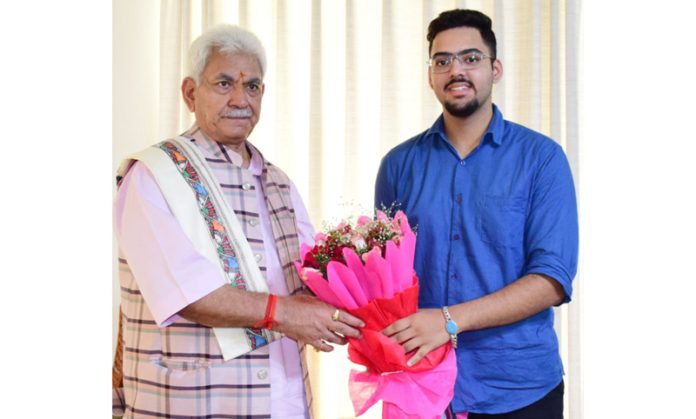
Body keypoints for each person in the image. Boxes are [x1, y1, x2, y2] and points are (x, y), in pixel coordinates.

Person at [113, 24, 363, 418]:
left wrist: (365, 303)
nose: (240, 99)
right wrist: (291, 314)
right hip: (194, 403)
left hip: (286, 400)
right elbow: (189, 294)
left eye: (253, 87)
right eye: (224, 83)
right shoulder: (154, 175)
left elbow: (311, 280)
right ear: (190, 93)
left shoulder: (278, 182)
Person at [376, 9, 578, 419]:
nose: (456, 71)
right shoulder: (398, 165)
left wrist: (449, 321)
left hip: (518, 387)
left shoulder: (541, 159)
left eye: (471, 58)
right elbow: (384, 274)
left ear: (495, 68)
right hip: (421, 383)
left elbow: (552, 279)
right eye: (443, 60)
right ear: (431, 73)